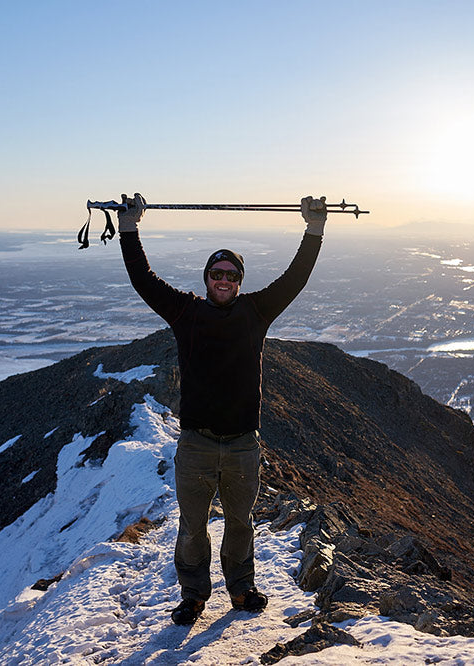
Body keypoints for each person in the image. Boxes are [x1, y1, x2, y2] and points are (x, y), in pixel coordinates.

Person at [117, 193, 326, 625]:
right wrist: (129, 228)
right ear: (207, 278)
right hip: (195, 442)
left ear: (240, 279)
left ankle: (242, 588)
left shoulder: (256, 311)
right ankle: (193, 594)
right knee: (192, 527)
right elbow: (144, 279)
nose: (223, 279)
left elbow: (296, 278)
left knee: (240, 522)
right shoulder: (186, 312)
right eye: (216, 273)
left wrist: (315, 228)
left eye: (231, 274)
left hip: (242, 444)